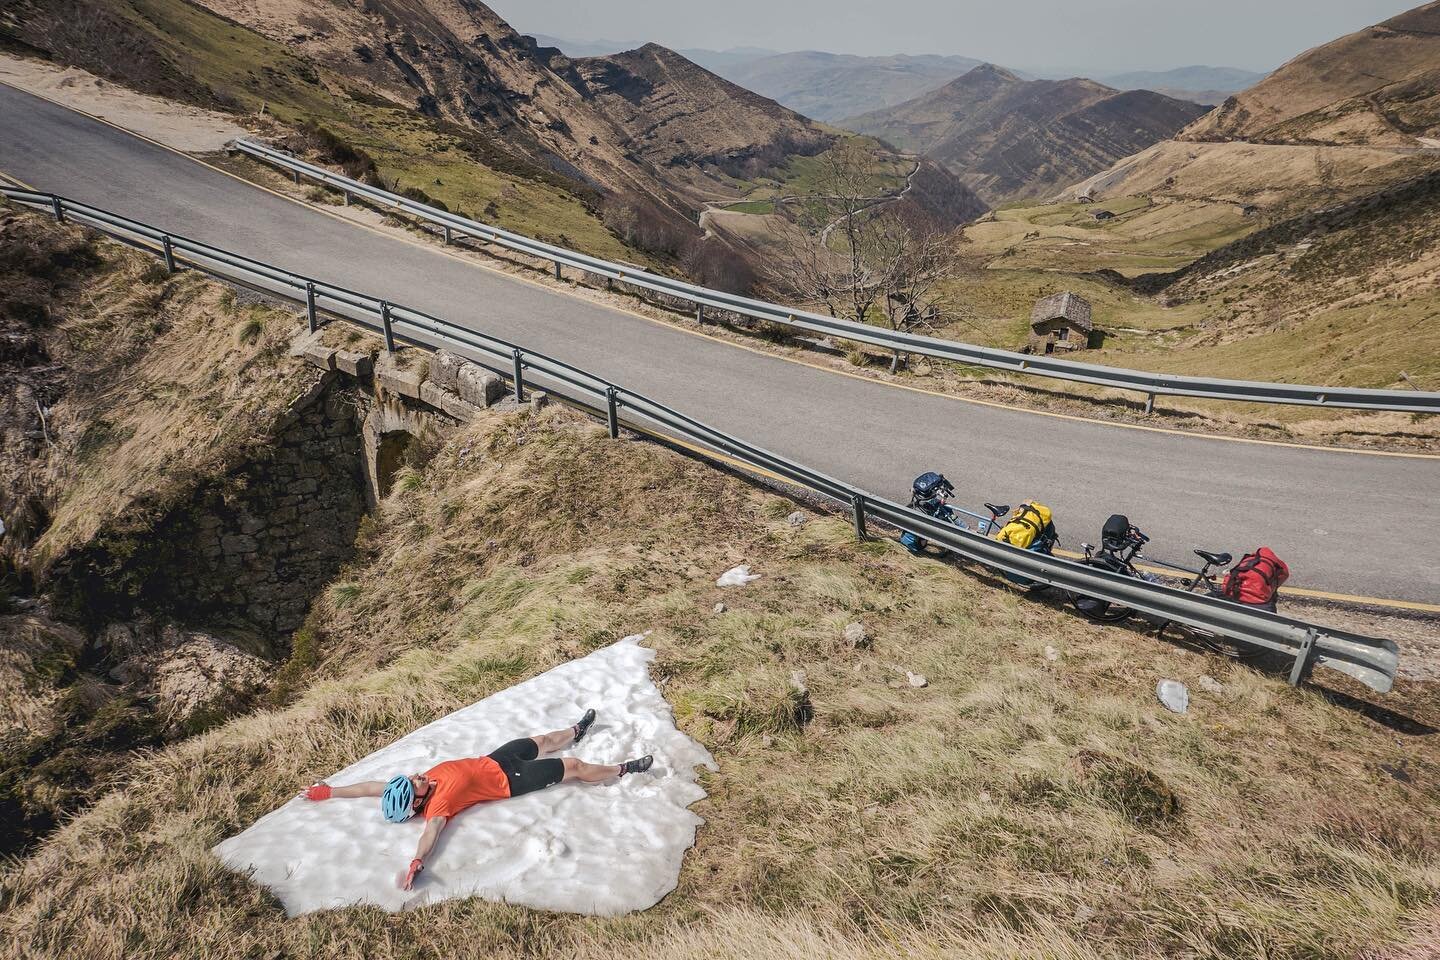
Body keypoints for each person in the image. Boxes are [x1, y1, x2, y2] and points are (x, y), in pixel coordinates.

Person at [299, 709, 653, 889]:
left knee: (544, 740)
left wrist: (328, 791)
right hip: (510, 780)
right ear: (416, 804)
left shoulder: (414, 786)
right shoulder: (437, 808)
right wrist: (416, 863)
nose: (416, 776)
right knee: (573, 766)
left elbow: (368, 787)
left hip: (496, 758)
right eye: (414, 784)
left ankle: (577, 730)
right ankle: (623, 770)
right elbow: (430, 834)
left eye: (410, 778)